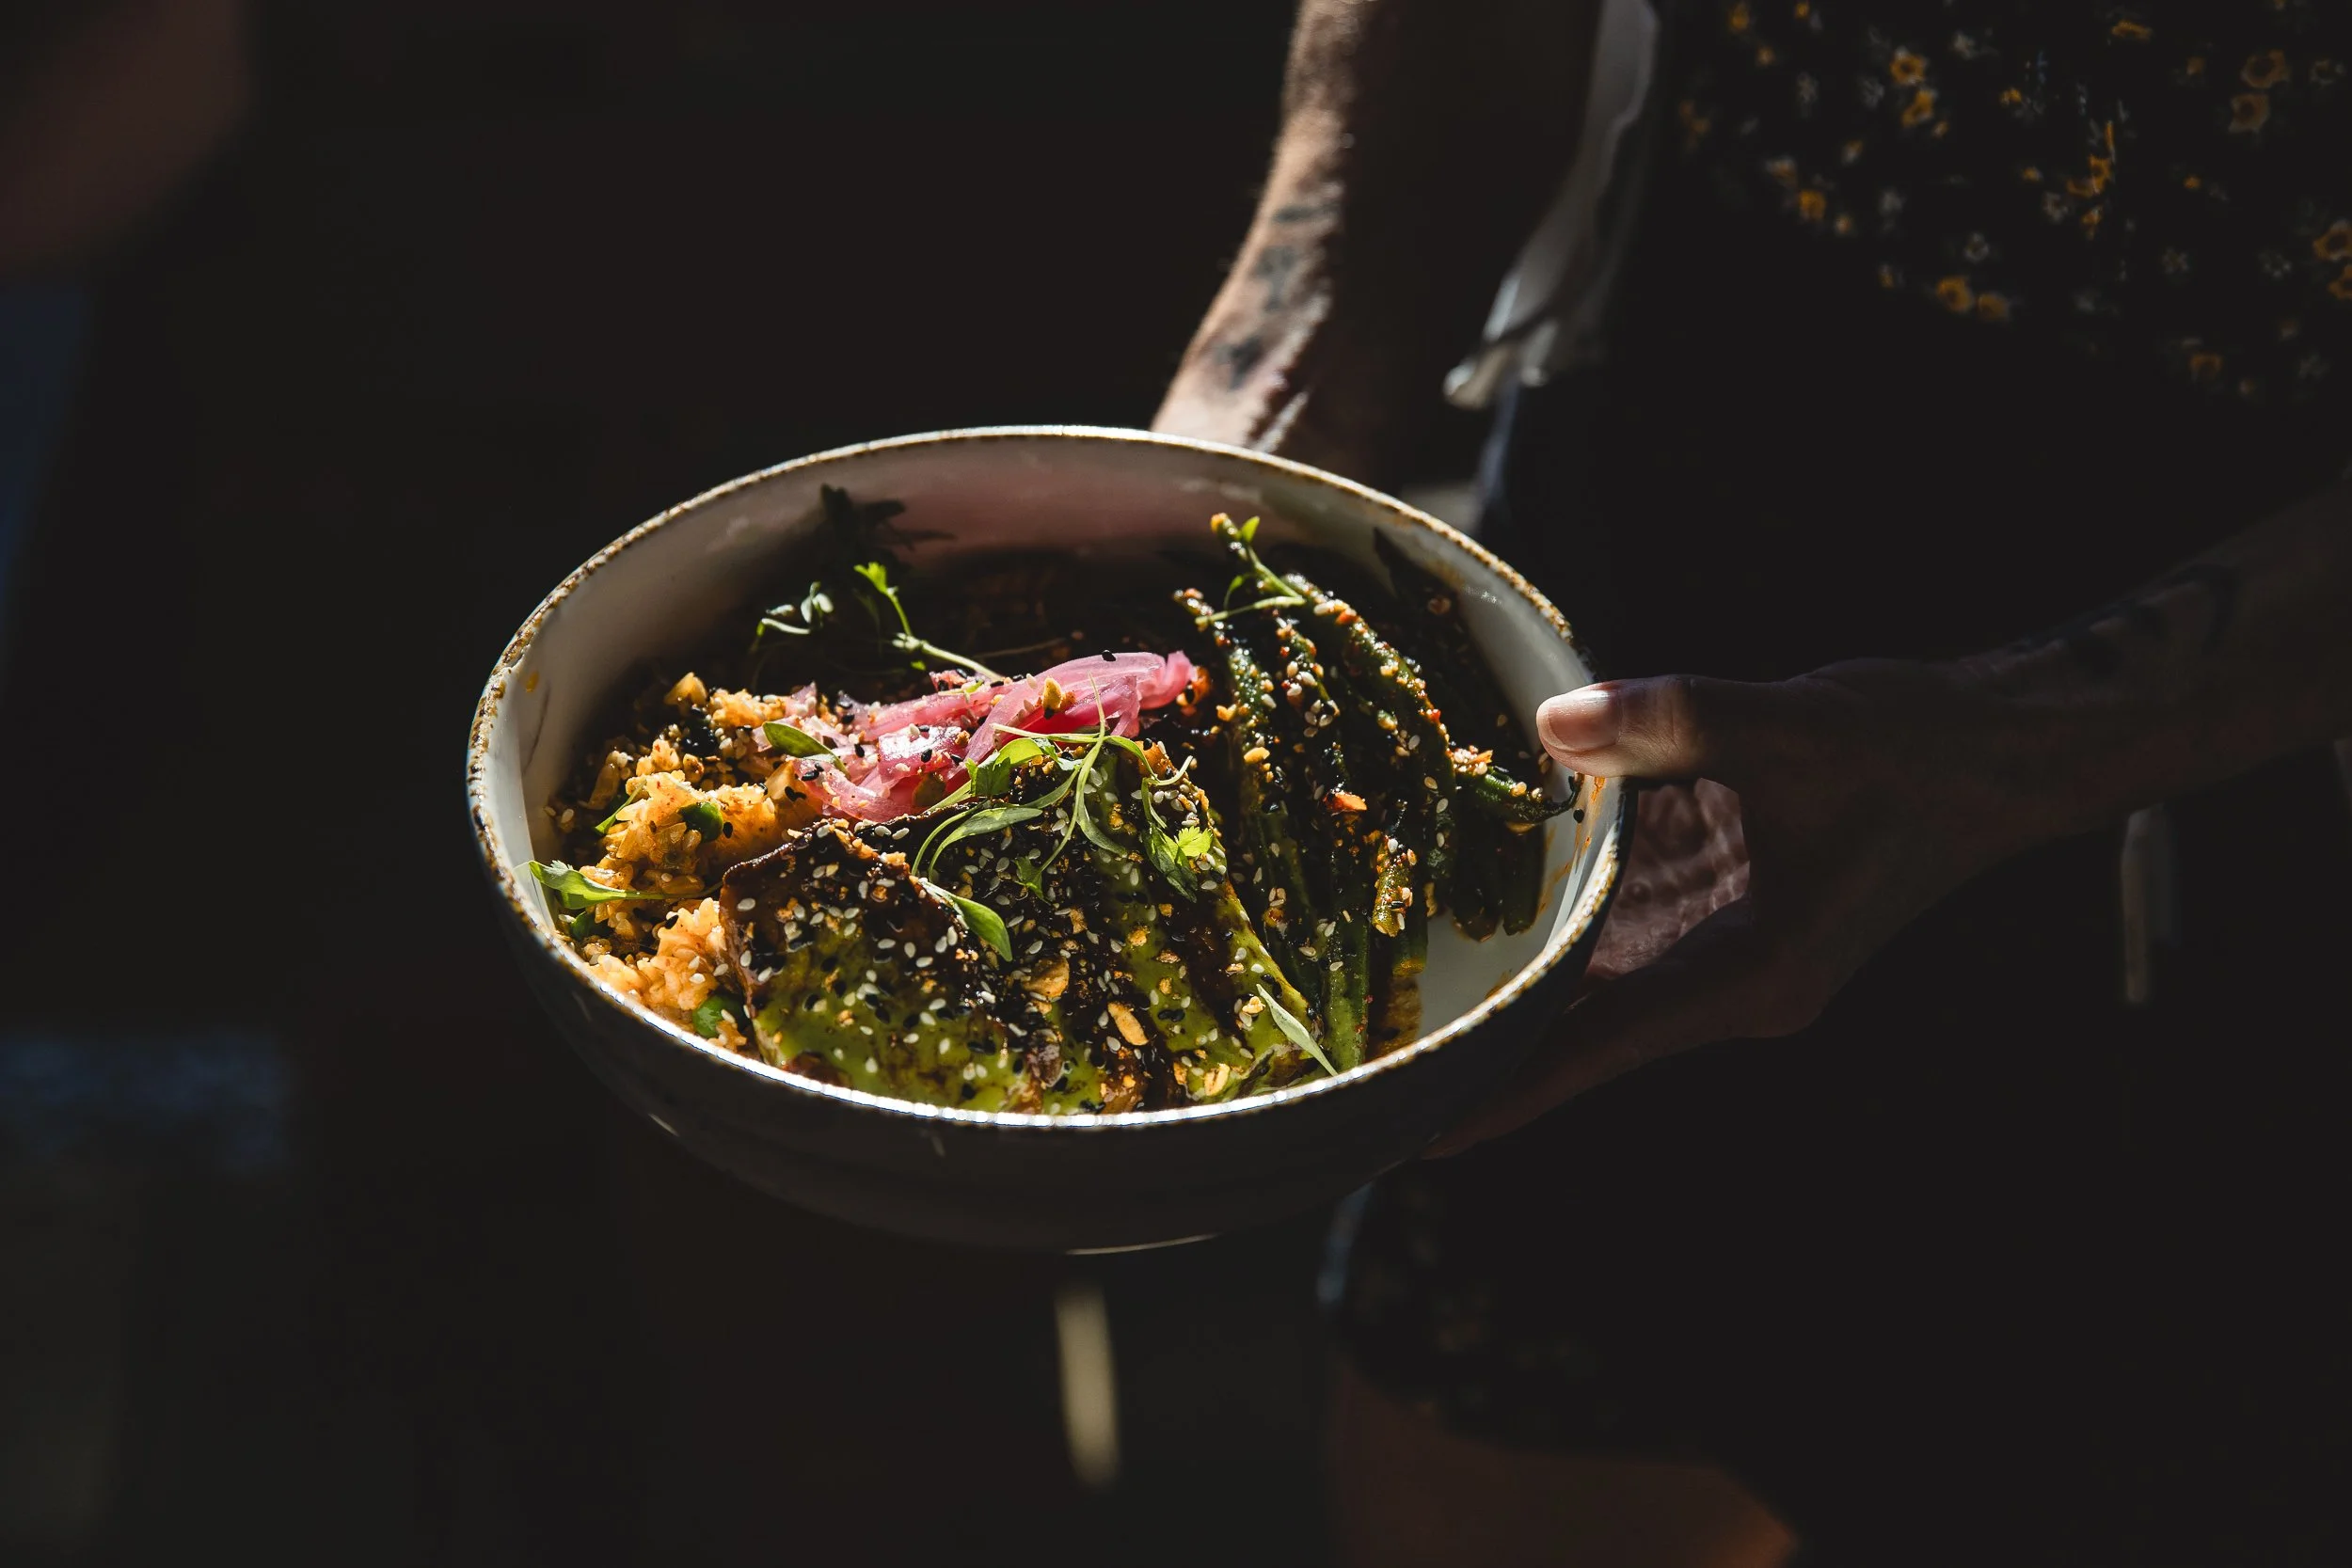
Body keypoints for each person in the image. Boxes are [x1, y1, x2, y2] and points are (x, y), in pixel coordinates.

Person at [1153, 2, 2352, 1562]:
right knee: (1519, 1402)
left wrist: (2015, 738)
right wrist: (1253, 448)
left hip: (2248, 759)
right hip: (1657, 596)